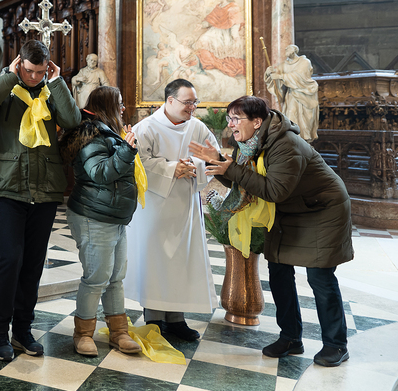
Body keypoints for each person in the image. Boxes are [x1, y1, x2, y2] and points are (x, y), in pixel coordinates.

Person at [190, 96, 354, 367]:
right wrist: (219, 162)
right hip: (289, 209)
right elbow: (244, 182)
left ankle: (336, 344)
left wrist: (231, 168)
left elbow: (274, 190)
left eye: (236, 119)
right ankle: (290, 337)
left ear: (257, 122)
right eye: (229, 118)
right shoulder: (249, 143)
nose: (231, 124)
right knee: (278, 271)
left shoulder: (285, 144)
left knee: (320, 277)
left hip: (322, 209)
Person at [0, 39, 80, 361]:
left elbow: (72, 120)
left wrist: (57, 82)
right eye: (29, 70)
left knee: (33, 264)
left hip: (44, 189)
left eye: (40, 72)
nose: (33, 77)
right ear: (19, 64)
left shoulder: (51, 90)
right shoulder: (4, 87)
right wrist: (8, 77)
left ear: (48, 68)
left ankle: (22, 330)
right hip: (9, 187)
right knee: (10, 260)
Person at [126, 79, 218, 342]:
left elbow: (212, 156)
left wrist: (194, 166)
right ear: (170, 100)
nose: (192, 108)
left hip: (185, 206)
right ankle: (154, 319)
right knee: (155, 261)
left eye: (194, 103)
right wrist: (171, 168)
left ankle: (176, 320)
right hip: (154, 208)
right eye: (188, 102)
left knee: (181, 261)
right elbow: (137, 163)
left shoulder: (197, 127)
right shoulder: (147, 127)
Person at [58, 86, 141, 357]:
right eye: (119, 103)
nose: (123, 108)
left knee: (115, 277)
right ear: (107, 105)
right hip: (93, 215)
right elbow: (99, 173)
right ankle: (83, 334)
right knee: (96, 278)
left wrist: (125, 147)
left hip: (113, 216)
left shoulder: (108, 132)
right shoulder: (91, 134)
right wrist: (127, 150)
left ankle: (119, 332)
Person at [264, 45, 319, 142]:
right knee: (291, 115)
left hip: (305, 95)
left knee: (304, 122)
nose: (286, 50)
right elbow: (275, 75)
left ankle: (303, 141)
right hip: (291, 96)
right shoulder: (284, 65)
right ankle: (293, 140)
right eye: (286, 49)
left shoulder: (304, 62)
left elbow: (300, 77)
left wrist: (280, 76)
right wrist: (269, 73)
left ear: (295, 50)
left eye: (288, 49)